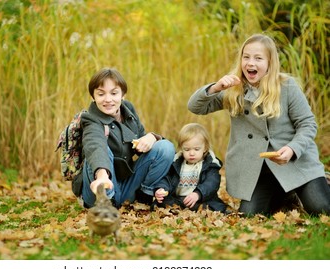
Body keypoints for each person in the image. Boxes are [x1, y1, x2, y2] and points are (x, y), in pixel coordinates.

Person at [187, 33, 330, 216]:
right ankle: (288, 195)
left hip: (294, 162)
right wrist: (216, 87)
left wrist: (292, 149)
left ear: (270, 62)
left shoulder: (287, 86)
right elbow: (195, 107)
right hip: (258, 170)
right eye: (246, 57)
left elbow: (308, 124)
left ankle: (316, 183)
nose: (250, 63)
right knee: (250, 215)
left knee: (322, 208)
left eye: (258, 58)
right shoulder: (233, 90)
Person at [80, 67, 175, 208]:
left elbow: (141, 143)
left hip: (125, 185)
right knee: (102, 150)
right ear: (93, 97)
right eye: (101, 94)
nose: (108, 100)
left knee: (165, 147)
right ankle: (107, 203)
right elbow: (95, 146)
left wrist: (151, 138)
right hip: (98, 189)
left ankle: (144, 197)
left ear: (122, 95)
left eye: (114, 93)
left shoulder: (127, 110)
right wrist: (102, 176)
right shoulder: (90, 119)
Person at [153, 123, 228, 213]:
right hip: (178, 199)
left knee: (208, 207)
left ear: (205, 148)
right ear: (181, 148)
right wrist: (161, 188)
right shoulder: (176, 163)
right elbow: (167, 178)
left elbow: (211, 183)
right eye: (187, 149)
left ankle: (199, 210)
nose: (191, 153)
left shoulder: (210, 165)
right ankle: (177, 209)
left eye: (196, 149)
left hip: (200, 199)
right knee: (162, 202)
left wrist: (198, 194)